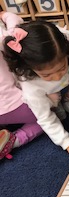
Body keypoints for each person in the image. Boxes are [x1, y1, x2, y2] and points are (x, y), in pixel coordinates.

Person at [3, 21, 69, 156]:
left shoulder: (68, 41)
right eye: (46, 74)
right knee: (49, 107)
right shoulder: (31, 85)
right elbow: (44, 118)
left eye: (61, 68)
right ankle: (56, 103)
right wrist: (66, 143)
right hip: (48, 94)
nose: (56, 76)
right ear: (30, 68)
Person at [0, 11, 43, 160]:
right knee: (44, 118)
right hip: (13, 105)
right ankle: (14, 140)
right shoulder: (3, 39)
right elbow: (15, 23)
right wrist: (4, 14)